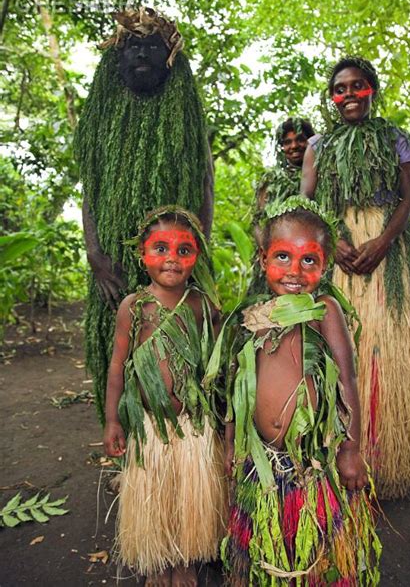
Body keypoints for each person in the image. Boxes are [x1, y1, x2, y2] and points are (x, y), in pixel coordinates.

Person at [208, 197, 380, 585]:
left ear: (325, 265)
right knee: (266, 551)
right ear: (262, 259)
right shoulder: (254, 317)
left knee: (315, 552)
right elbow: (240, 388)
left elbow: (346, 380)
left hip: (313, 466)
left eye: (309, 260)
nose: (295, 271)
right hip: (261, 465)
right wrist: (231, 446)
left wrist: (351, 451)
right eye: (283, 257)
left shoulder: (325, 311)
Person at [301, 57, 410, 499]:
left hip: (389, 257)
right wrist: (332, 240)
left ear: (372, 90)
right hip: (336, 256)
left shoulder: (395, 138)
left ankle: (389, 461)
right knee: (344, 354)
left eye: (359, 86)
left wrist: (381, 243)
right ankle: (340, 457)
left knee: (383, 352)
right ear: (332, 98)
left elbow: (407, 199)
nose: (350, 95)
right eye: (340, 89)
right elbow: (307, 201)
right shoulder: (318, 146)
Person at [75, 7, 214, 423]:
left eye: (152, 47)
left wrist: (197, 250)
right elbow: (92, 192)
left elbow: (205, 184)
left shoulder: (186, 124)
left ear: (171, 60)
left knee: (178, 351)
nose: (141, 54)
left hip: (176, 261)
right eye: (132, 46)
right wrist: (96, 256)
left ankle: (180, 440)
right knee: (118, 350)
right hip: (114, 267)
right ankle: (125, 439)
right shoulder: (104, 126)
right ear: (114, 61)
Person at [103, 206, 226, 587]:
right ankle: (157, 559)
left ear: (196, 257)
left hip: (193, 428)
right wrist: (112, 420)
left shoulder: (203, 306)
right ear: (143, 254)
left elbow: (217, 367)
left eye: (183, 250)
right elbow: (117, 367)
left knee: (188, 501)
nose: (171, 259)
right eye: (160, 249)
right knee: (154, 499)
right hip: (149, 428)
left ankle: (186, 558)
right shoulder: (133, 308)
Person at [250, 118, 315, 294]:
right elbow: (257, 221)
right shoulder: (271, 181)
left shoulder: (324, 178)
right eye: (287, 142)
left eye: (300, 139)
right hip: (275, 263)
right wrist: (272, 251)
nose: (294, 146)